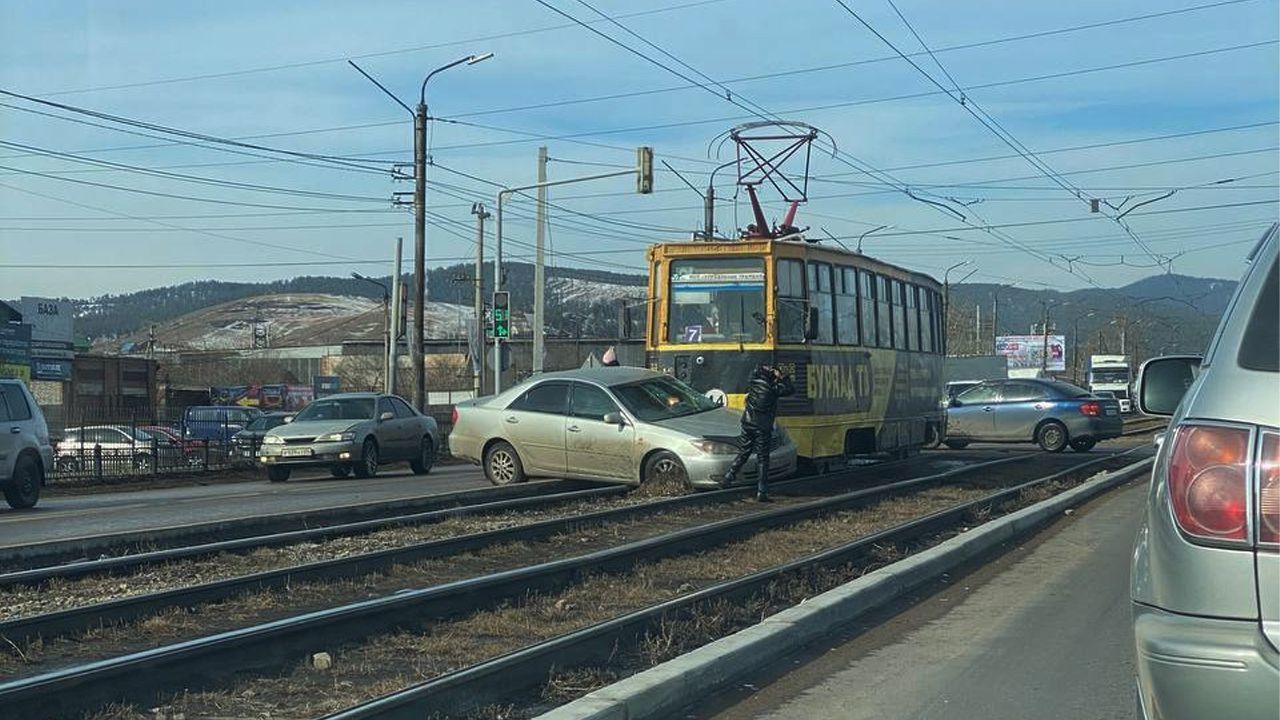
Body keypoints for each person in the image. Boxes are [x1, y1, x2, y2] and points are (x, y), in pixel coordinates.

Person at [723, 364, 794, 502]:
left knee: (745, 451)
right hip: (762, 427)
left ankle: (728, 477)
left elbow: (755, 372)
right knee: (763, 458)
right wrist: (783, 377)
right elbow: (790, 390)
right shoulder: (773, 389)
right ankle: (762, 491)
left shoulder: (753, 383)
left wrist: (767, 370)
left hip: (747, 423)